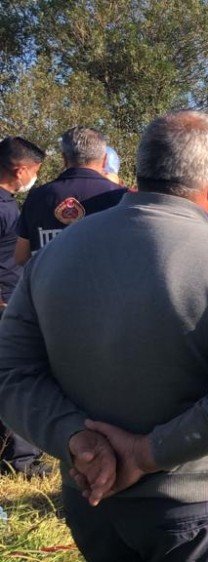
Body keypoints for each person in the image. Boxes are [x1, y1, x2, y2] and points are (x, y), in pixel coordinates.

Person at [0, 110, 208, 561]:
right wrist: (145, 454)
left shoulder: (51, 257)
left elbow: (11, 373)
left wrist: (78, 441)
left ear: (140, 172)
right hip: (203, 507)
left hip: (93, 500)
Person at [0, 136, 48, 478]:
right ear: (20, 170)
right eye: (34, 171)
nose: (34, 178)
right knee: (19, 378)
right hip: (4, 305)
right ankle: (23, 461)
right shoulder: (5, 209)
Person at [14, 127, 126, 264]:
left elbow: (21, 257)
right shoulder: (122, 197)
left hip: (49, 283)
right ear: (105, 159)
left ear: (64, 158)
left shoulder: (37, 197)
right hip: (105, 283)